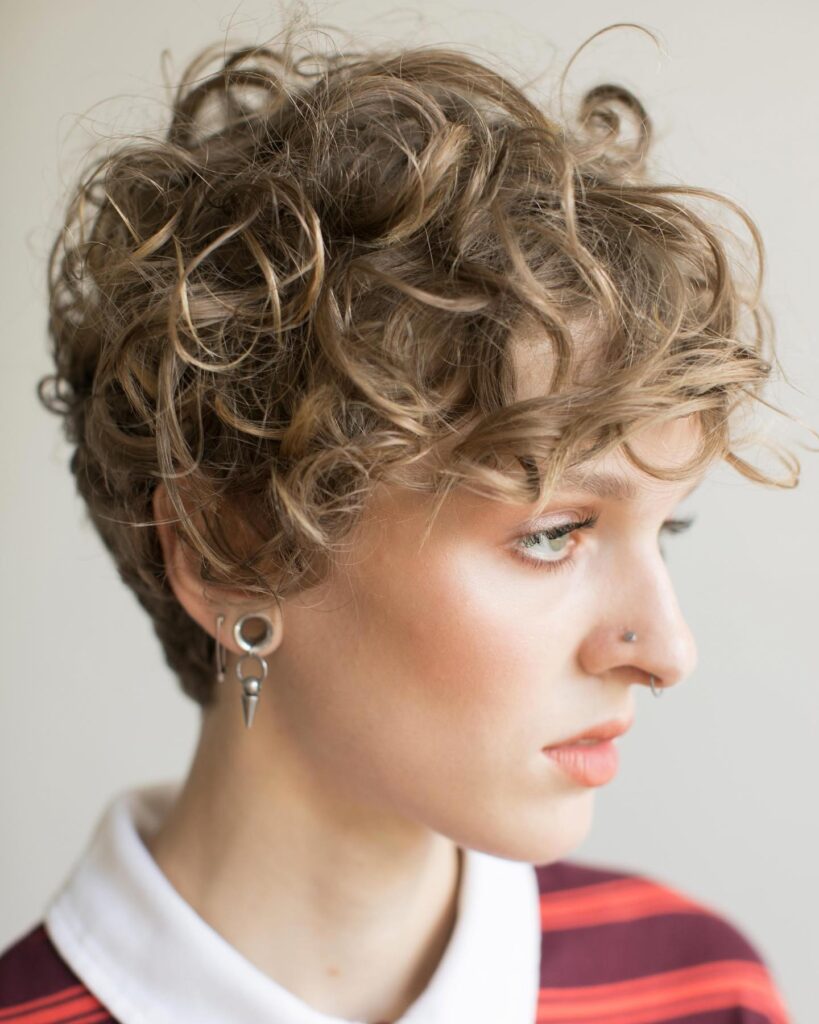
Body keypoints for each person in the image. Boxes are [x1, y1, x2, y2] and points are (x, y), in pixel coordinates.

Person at [0, 16, 803, 1024]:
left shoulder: (701, 994)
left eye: (665, 529)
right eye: (553, 532)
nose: (667, 650)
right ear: (232, 550)